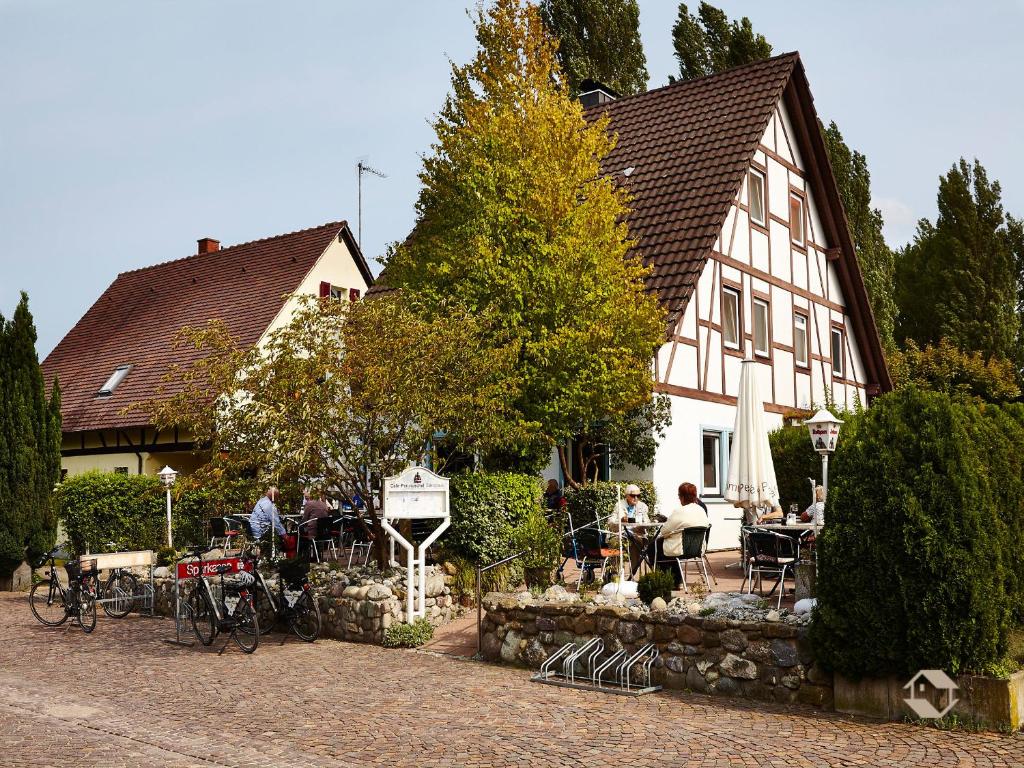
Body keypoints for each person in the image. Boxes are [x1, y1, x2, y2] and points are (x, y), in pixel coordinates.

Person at [606, 484, 650, 578]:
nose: (636, 498)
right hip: (621, 534)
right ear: (626, 495)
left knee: (636, 543)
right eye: (633, 495)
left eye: (638, 496)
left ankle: (632, 574)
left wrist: (641, 525)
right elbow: (610, 522)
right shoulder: (619, 505)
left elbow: (647, 523)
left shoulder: (643, 506)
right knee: (615, 542)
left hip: (637, 535)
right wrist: (620, 521)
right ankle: (616, 574)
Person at [659, 482, 709, 558]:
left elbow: (664, 531)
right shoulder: (701, 510)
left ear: (682, 497)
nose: (678, 498)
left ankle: (671, 570)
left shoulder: (679, 511)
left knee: (653, 546)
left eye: (679, 495)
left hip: (679, 550)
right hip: (698, 549)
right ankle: (674, 569)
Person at [299, 488, 332, 557]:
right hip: (324, 532)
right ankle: (316, 554)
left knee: (299, 531)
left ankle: (301, 555)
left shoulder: (309, 504)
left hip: (313, 532)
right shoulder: (324, 504)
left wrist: (300, 524)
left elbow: (305, 519)